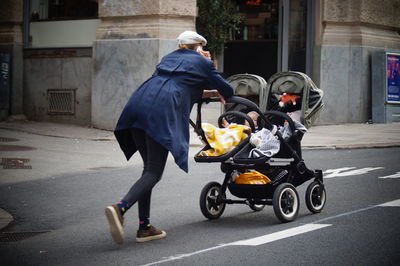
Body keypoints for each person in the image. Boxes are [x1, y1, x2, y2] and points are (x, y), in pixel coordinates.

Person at [105, 30, 234, 245]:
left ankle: (144, 227)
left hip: (138, 103)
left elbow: (181, 84)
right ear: (199, 47)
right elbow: (227, 90)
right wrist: (208, 65)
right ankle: (120, 208)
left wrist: (209, 93)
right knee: (154, 172)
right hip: (161, 111)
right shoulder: (203, 63)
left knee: (148, 171)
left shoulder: (168, 58)